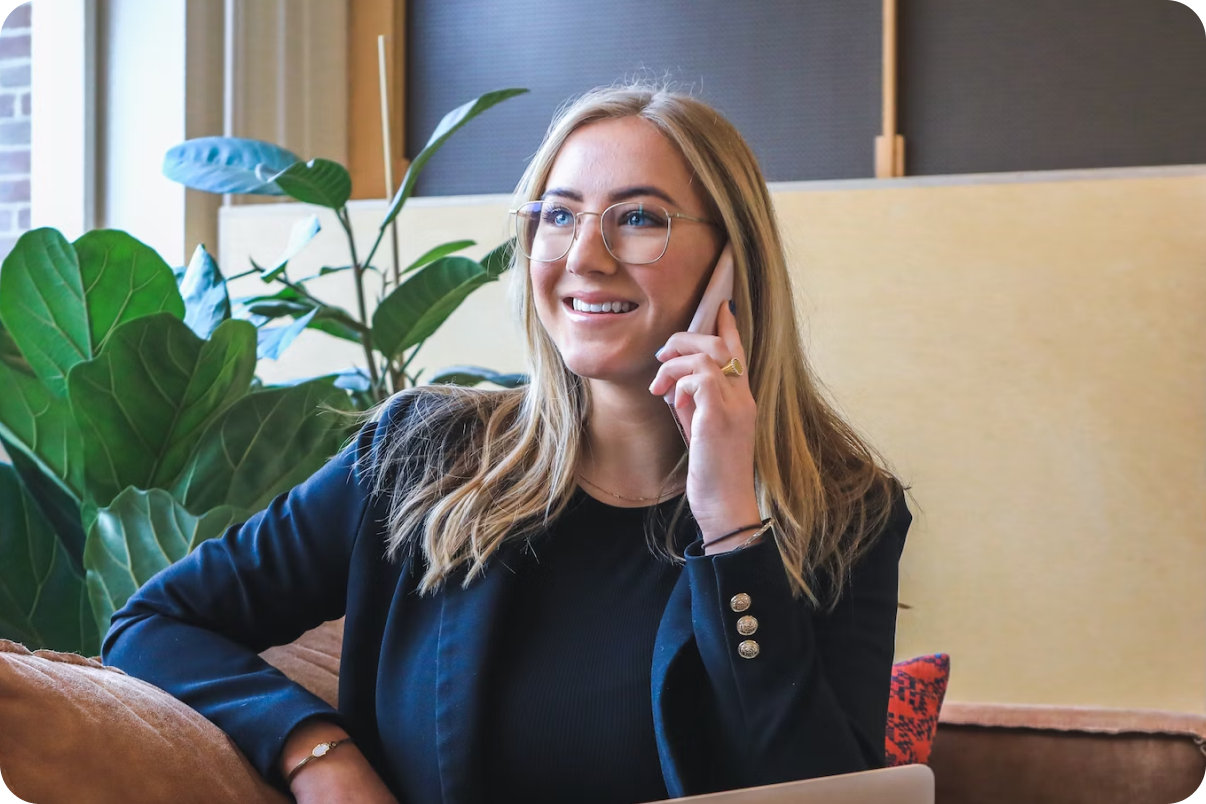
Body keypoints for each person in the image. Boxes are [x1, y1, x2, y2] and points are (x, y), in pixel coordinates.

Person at [103, 81, 913, 804]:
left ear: (734, 262)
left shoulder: (844, 510)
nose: (584, 258)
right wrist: (318, 754)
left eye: (638, 219)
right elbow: (154, 623)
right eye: (557, 217)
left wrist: (732, 524)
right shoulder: (421, 455)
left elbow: (825, 792)